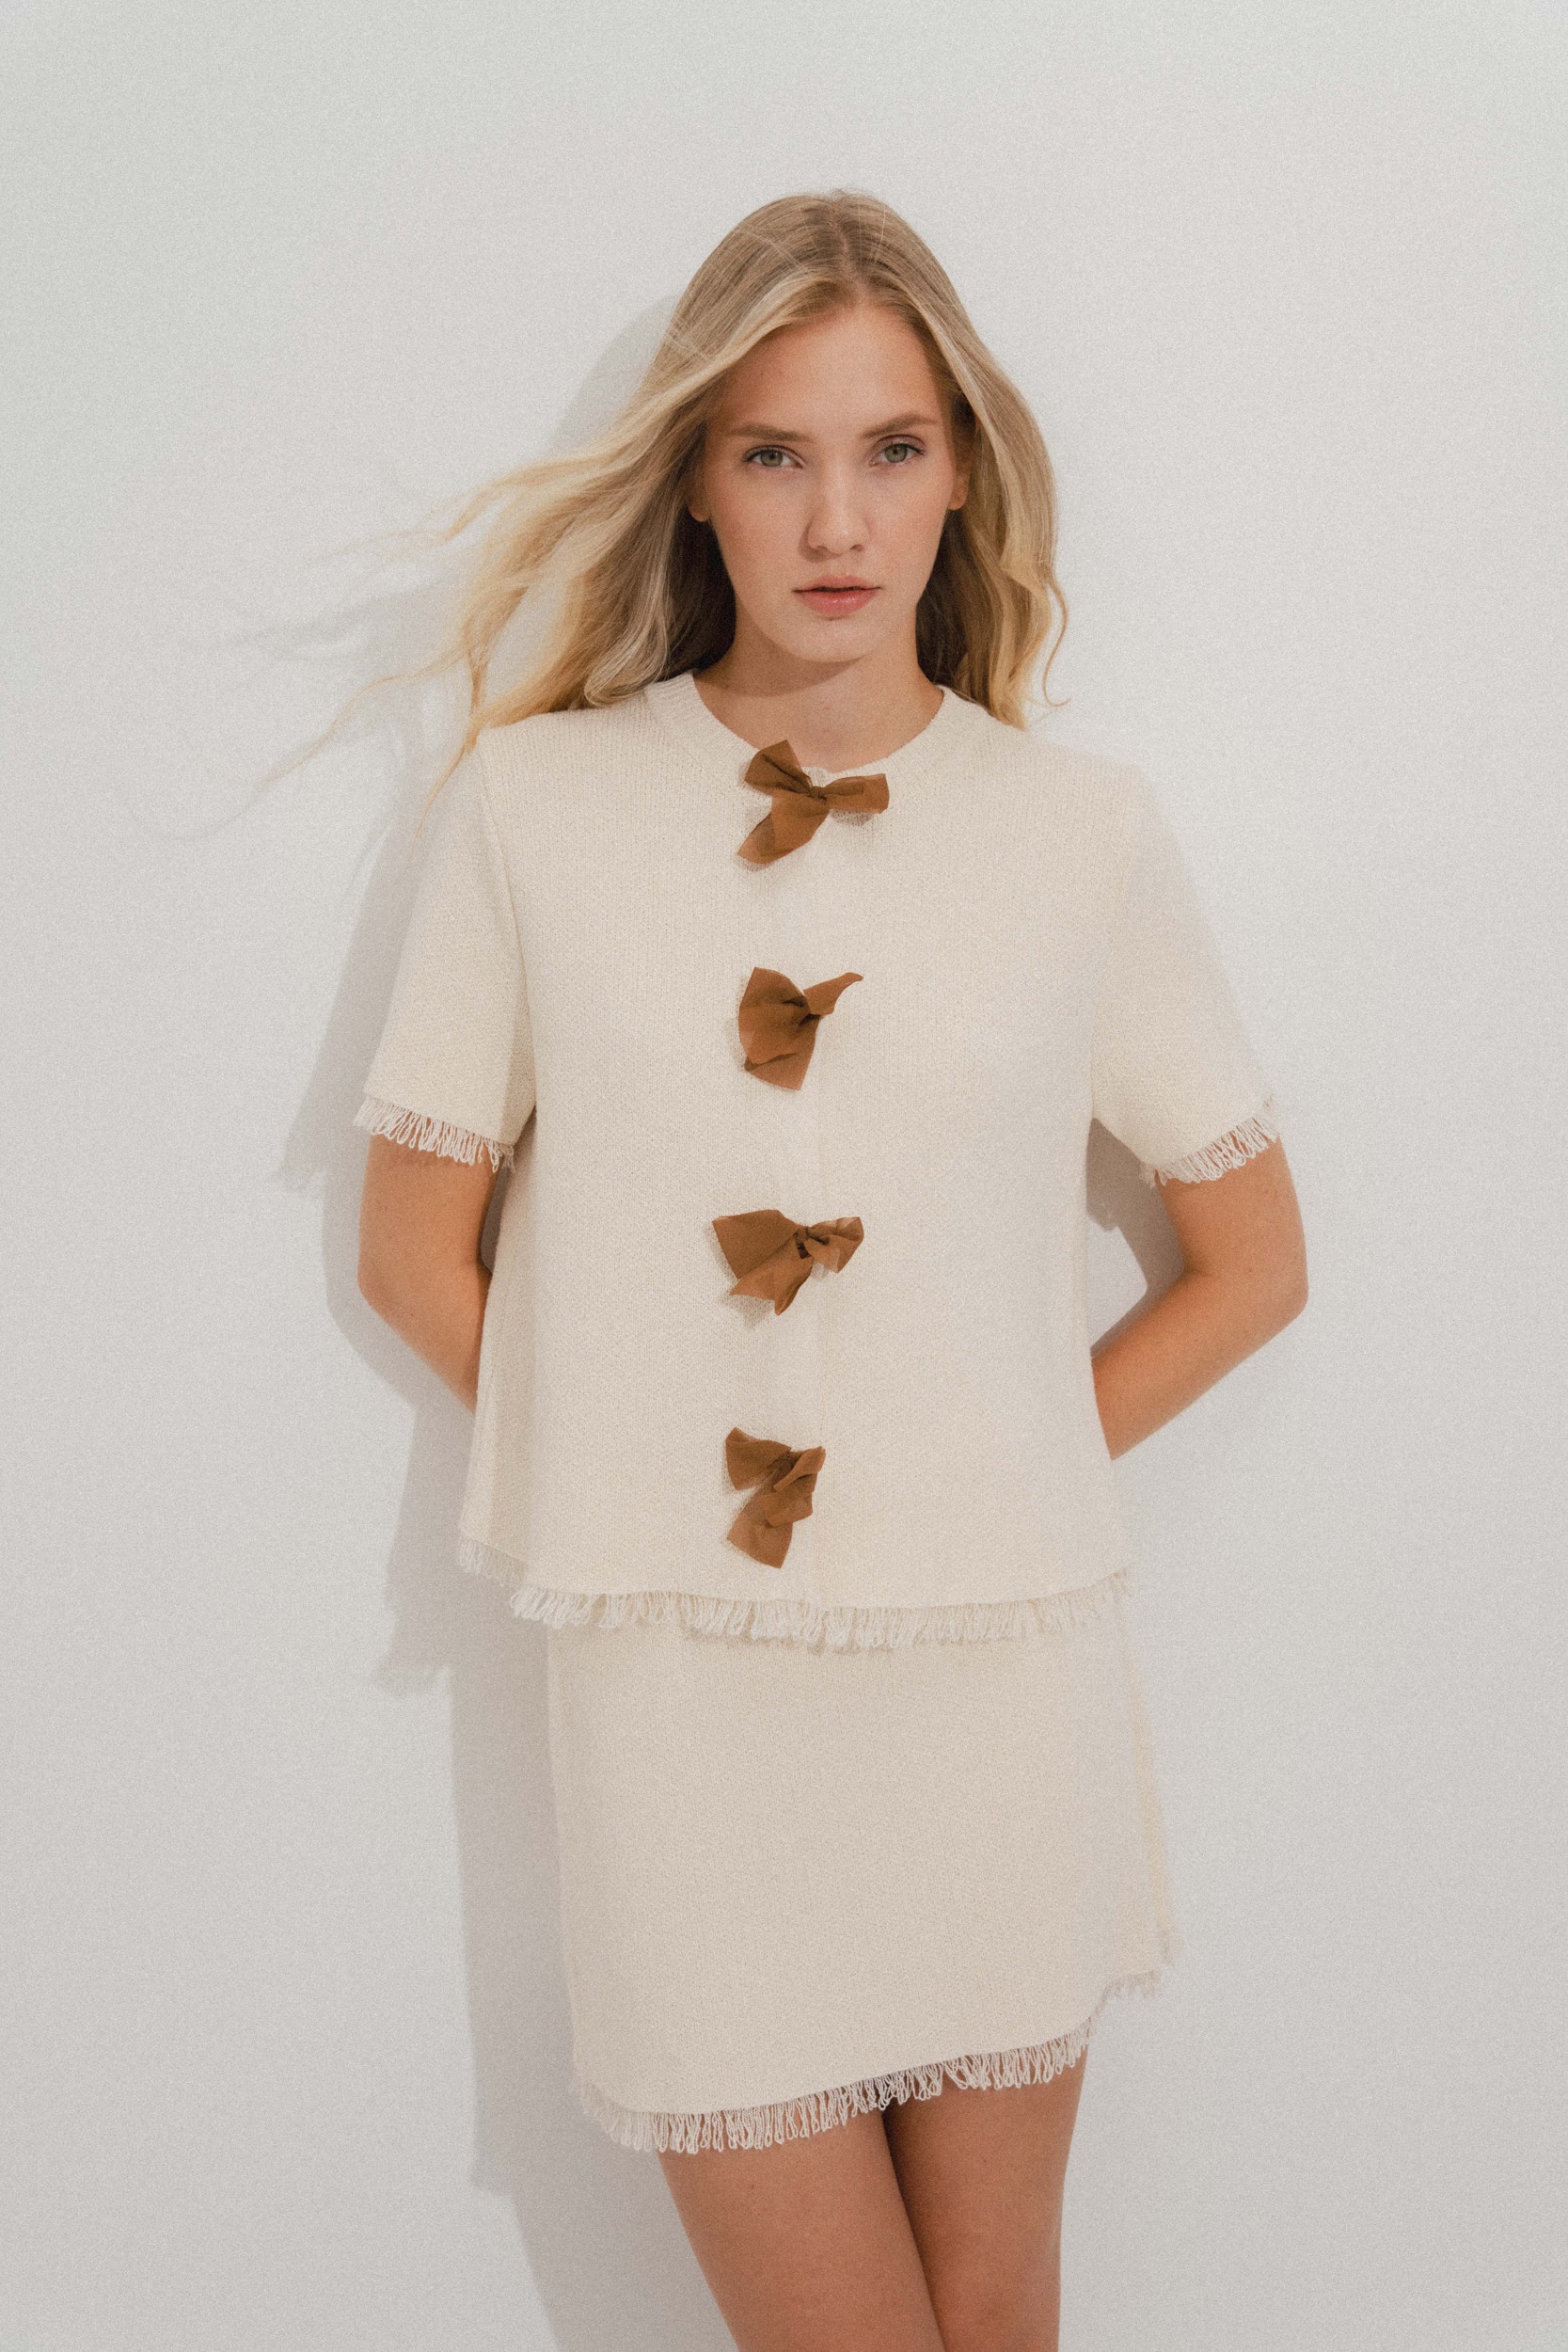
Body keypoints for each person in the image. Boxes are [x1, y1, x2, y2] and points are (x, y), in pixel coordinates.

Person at [352, 188, 1307, 2352]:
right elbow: (413, 1247)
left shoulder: (1079, 831)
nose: (837, 517)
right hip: (684, 1698)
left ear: (964, 470)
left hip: (999, 1678)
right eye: (774, 451)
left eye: (891, 447)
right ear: (697, 477)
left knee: (997, 2313)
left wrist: (990, 1455)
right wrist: (642, 1474)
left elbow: (1255, 1257)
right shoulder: (537, 807)